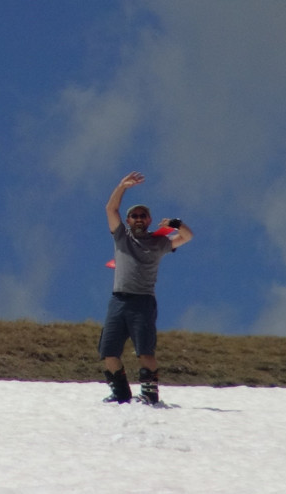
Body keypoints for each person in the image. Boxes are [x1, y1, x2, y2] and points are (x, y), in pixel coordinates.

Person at [99, 171, 193, 404]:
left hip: (142, 301)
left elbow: (187, 237)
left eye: (143, 215)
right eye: (134, 216)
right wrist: (122, 186)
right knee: (108, 352)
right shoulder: (122, 237)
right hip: (118, 301)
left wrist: (176, 224)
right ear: (128, 221)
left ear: (149, 220)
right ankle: (120, 393)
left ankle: (150, 394)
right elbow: (111, 210)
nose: (138, 218)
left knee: (145, 352)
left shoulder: (160, 242)